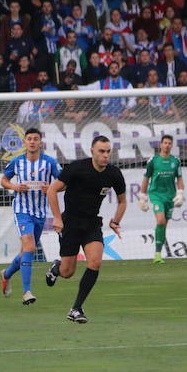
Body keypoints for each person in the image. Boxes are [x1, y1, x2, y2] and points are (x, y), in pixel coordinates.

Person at [45, 136, 127, 324]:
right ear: (92, 151)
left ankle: (76, 308)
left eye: (108, 151)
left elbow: (122, 201)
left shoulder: (113, 174)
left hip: (92, 224)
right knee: (67, 272)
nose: (106, 155)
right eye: (101, 151)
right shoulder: (76, 168)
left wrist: (115, 221)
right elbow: (52, 190)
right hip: (71, 223)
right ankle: (56, 268)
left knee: (95, 262)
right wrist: (57, 218)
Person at [0, 128, 61, 305]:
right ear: (25, 142)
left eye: (35, 139)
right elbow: (3, 180)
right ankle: (26, 291)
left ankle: (7, 274)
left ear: (41, 143)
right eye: (29, 139)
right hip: (22, 209)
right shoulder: (18, 162)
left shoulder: (50, 163)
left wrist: (52, 187)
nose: (32, 142)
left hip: (40, 213)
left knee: (25, 252)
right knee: (30, 246)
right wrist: (15, 187)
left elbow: (64, 183)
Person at [137, 135, 184, 264]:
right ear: (160, 145)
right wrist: (142, 197)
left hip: (170, 196)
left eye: (169, 143)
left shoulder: (176, 161)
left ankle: (158, 254)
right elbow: (146, 178)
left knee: (163, 225)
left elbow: (179, 178)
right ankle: (157, 255)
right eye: (165, 143)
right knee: (161, 220)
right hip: (156, 195)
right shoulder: (153, 161)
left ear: (172, 145)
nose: (167, 145)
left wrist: (180, 193)